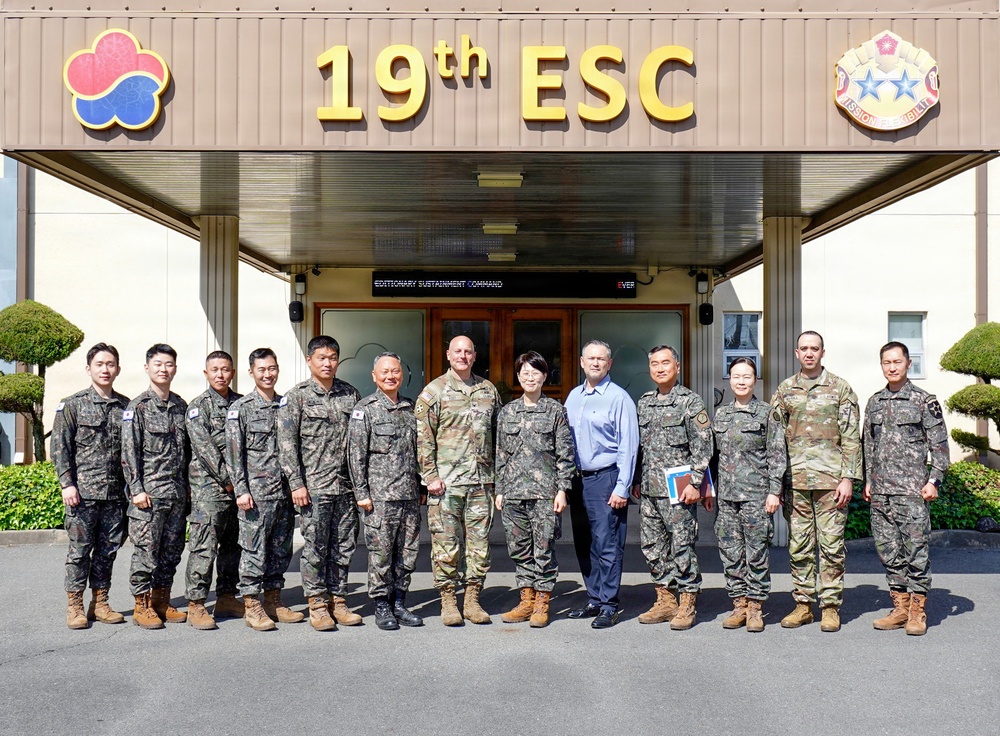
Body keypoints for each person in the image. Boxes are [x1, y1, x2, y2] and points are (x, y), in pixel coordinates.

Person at [768, 331, 862, 633]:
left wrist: (848, 477)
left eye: (815, 348)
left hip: (831, 483)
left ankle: (831, 606)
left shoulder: (840, 389)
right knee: (799, 546)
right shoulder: (785, 390)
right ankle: (803, 605)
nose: (809, 353)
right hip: (795, 482)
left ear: (823, 352)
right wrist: (776, 484)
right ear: (797, 353)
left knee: (832, 546)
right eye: (804, 348)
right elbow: (775, 441)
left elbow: (851, 437)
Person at [863, 341, 950, 636]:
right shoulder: (875, 402)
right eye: (886, 362)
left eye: (897, 362)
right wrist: (868, 480)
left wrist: (934, 480)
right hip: (882, 492)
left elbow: (939, 446)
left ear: (908, 363)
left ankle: (917, 610)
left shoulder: (924, 401)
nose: (891, 367)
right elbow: (869, 446)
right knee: (888, 551)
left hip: (912, 491)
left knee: (916, 551)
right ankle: (900, 607)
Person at [414, 335, 501, 626]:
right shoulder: (434, 392)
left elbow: (498, 436)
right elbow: (423, 439)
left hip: (481, 483)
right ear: (448, 354)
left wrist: (497, 480)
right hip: (446, 484)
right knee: (446, 543)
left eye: (468, 351)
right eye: (457, 351)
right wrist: (430, 477)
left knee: (479, 544)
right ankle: (449, 600)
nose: (463, 356)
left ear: (475, 355)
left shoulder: (487, 390)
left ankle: (473, 599)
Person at [277, 335, 362, 631]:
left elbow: (359, 442)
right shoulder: (297, 396)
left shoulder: (350, 394)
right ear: (310, 360)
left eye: (333, 357)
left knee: (344, 545)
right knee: (315, 547)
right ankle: (317, 603)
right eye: (322, 358)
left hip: (346, 487)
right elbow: (286, 444)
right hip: (313, 487)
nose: (328, 363)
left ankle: (338, 600)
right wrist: (296, 484)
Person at [633, 345, 714, 631]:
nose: (659, 368)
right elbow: (641, 448)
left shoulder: (690, 401)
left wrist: (696, 483)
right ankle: (665, 600)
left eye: (665, 363)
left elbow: (704, 445)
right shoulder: (644, 402)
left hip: (679, 490)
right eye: (654, 363)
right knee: (653, 547)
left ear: (677, 367)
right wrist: (637, 481)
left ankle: (687, 601)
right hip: (650, 490)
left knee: (682, 546)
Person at [51, 343, 130, 629]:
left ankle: (101, 602)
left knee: (108, 551)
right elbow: (59, 447)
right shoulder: (72, 404)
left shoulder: (126, 407)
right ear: (89, 369)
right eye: (99, 364)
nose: (105, 369)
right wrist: (66, 484)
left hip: (114, 496)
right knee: (80, 551)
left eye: (110, 364)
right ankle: (75, 605)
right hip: (82, 495)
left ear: (118, 369)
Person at [495, 351, 576, 628]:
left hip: (545, 494)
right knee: (519, 549)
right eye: (524, 373)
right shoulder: (507, 412)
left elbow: (566, 454)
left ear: (544, 376)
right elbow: (501, 454)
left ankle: (542, 601)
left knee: (543, 548)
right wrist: (500, 489)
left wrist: (563, 489)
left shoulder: (555, 411)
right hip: (514, 493)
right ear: (518, 377)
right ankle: (526, 599)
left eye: (535, 372)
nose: (530, 377)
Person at [226, 348, 303, 631]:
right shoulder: (242, 409)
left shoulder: (287, 405)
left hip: (284, 493)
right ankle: (252, 605)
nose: (268, 374)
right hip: (256, 495)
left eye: (272, 368)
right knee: (253, 550)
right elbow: (234, 455)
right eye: (262, 370)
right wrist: (241, 490)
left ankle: (273, 600)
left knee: (281, 549)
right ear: (251, 372)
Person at [564, 339, 638, 629]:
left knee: (608, 544)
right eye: (590, 358)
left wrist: (622, 486)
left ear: (610, 364)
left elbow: (628, 446)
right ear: (582, 362)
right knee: (584, 543)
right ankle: (593, 598)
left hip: (606, 478)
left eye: (601, 359)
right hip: (578, 480)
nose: (595, 363)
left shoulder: (619, 398)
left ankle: (609, 604)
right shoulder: (573, 397)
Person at [347, 352, 424, 631]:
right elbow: (355, 456)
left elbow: (419, 453)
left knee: (408, 553)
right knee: (380, 555)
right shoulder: (364, 409)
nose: (391, 376)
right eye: (385, 372)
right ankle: (381, 604)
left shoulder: (410, 408)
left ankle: (400, 602)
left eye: (396, 371)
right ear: (374, 376)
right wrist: (361, 492)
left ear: (402, 375)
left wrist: (422, 486)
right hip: (379, 499)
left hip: (409, 496)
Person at [121, 343, 190, 629]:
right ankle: (142, 604)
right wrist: (136, 489)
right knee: (145, 553)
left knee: (171, 552)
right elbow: (128, 451)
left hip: (175, 495)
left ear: (175, 368)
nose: (164, 369)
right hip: (148, 496)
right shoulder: (137, 407)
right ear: (147, 367)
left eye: (169, 364)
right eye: (158, 364)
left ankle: (162, 599)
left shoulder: (180, 406)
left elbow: (187, 452)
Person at [712, 357, 781, 633]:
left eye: (747, 376)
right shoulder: (721, 415)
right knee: (730, 552)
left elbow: (777, 455)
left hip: (756, 495)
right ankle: (738, 604)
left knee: (757, 553)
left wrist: (775, 490)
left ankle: (755, 607)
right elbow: (713, 456)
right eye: (736, 376)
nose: (741, 381)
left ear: (755, 380)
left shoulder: (767, 413)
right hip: (727, 497)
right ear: (729, 379)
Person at [183, 351, 243, 630]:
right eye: (215, 369)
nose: (220, 374)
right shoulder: (198, 407)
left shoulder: (242, 404)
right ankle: (196, 604)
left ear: (233, 372)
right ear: (205, 373)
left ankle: (227, 596)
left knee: (234, 545)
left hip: (240, 490)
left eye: (225, 369)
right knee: (204, 547)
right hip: (210, 490)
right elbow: (205, 450)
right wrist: (231, 481)